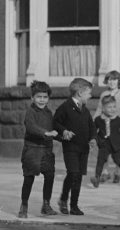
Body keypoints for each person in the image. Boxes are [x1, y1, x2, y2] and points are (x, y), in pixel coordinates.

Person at [52, 77, 95, 216]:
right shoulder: (65, 107)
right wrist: (63, 131)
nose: (90, 96)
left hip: (83, 149)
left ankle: (74, 205)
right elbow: (55, 123)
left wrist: (93, 138)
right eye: (88, 93)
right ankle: (64, 200)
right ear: (80, 93)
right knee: (73, 173)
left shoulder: (85, 110)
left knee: (79, 177)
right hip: (70, 147)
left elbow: (91, 126)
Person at [18, 81, 59, 218]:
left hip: (46, 150)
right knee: (29, 178)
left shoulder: (48, 113)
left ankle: (46, 205)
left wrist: (62, 134)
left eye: (45, 97)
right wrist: (45, 133)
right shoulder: (30, 112)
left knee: (50, 176)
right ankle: (24, 205)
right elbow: (31, 127)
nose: (42, 100)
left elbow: (54, 130)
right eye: (39, 97)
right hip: (32, 151)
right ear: (32, 98)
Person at [91, 94, 120, 188]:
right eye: (109, 107)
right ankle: (96, 178)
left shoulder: (118, 120)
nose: (112, 109)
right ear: (103, 108)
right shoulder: (98, 120)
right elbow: (93, 130)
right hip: (104, 144)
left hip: (117, 145)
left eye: (114, 106)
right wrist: (95, 139)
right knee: (100, 162)